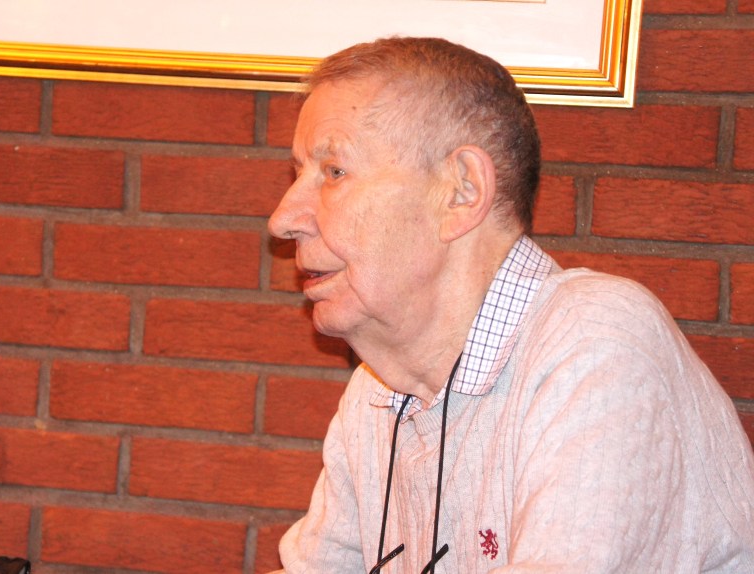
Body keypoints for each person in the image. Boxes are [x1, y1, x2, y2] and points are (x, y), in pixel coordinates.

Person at [267, 37, 754, 573]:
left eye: (334, 172)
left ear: (462, 191)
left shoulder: (593, 345)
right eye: (300, 175)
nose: (284, 219)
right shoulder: (379, 393)